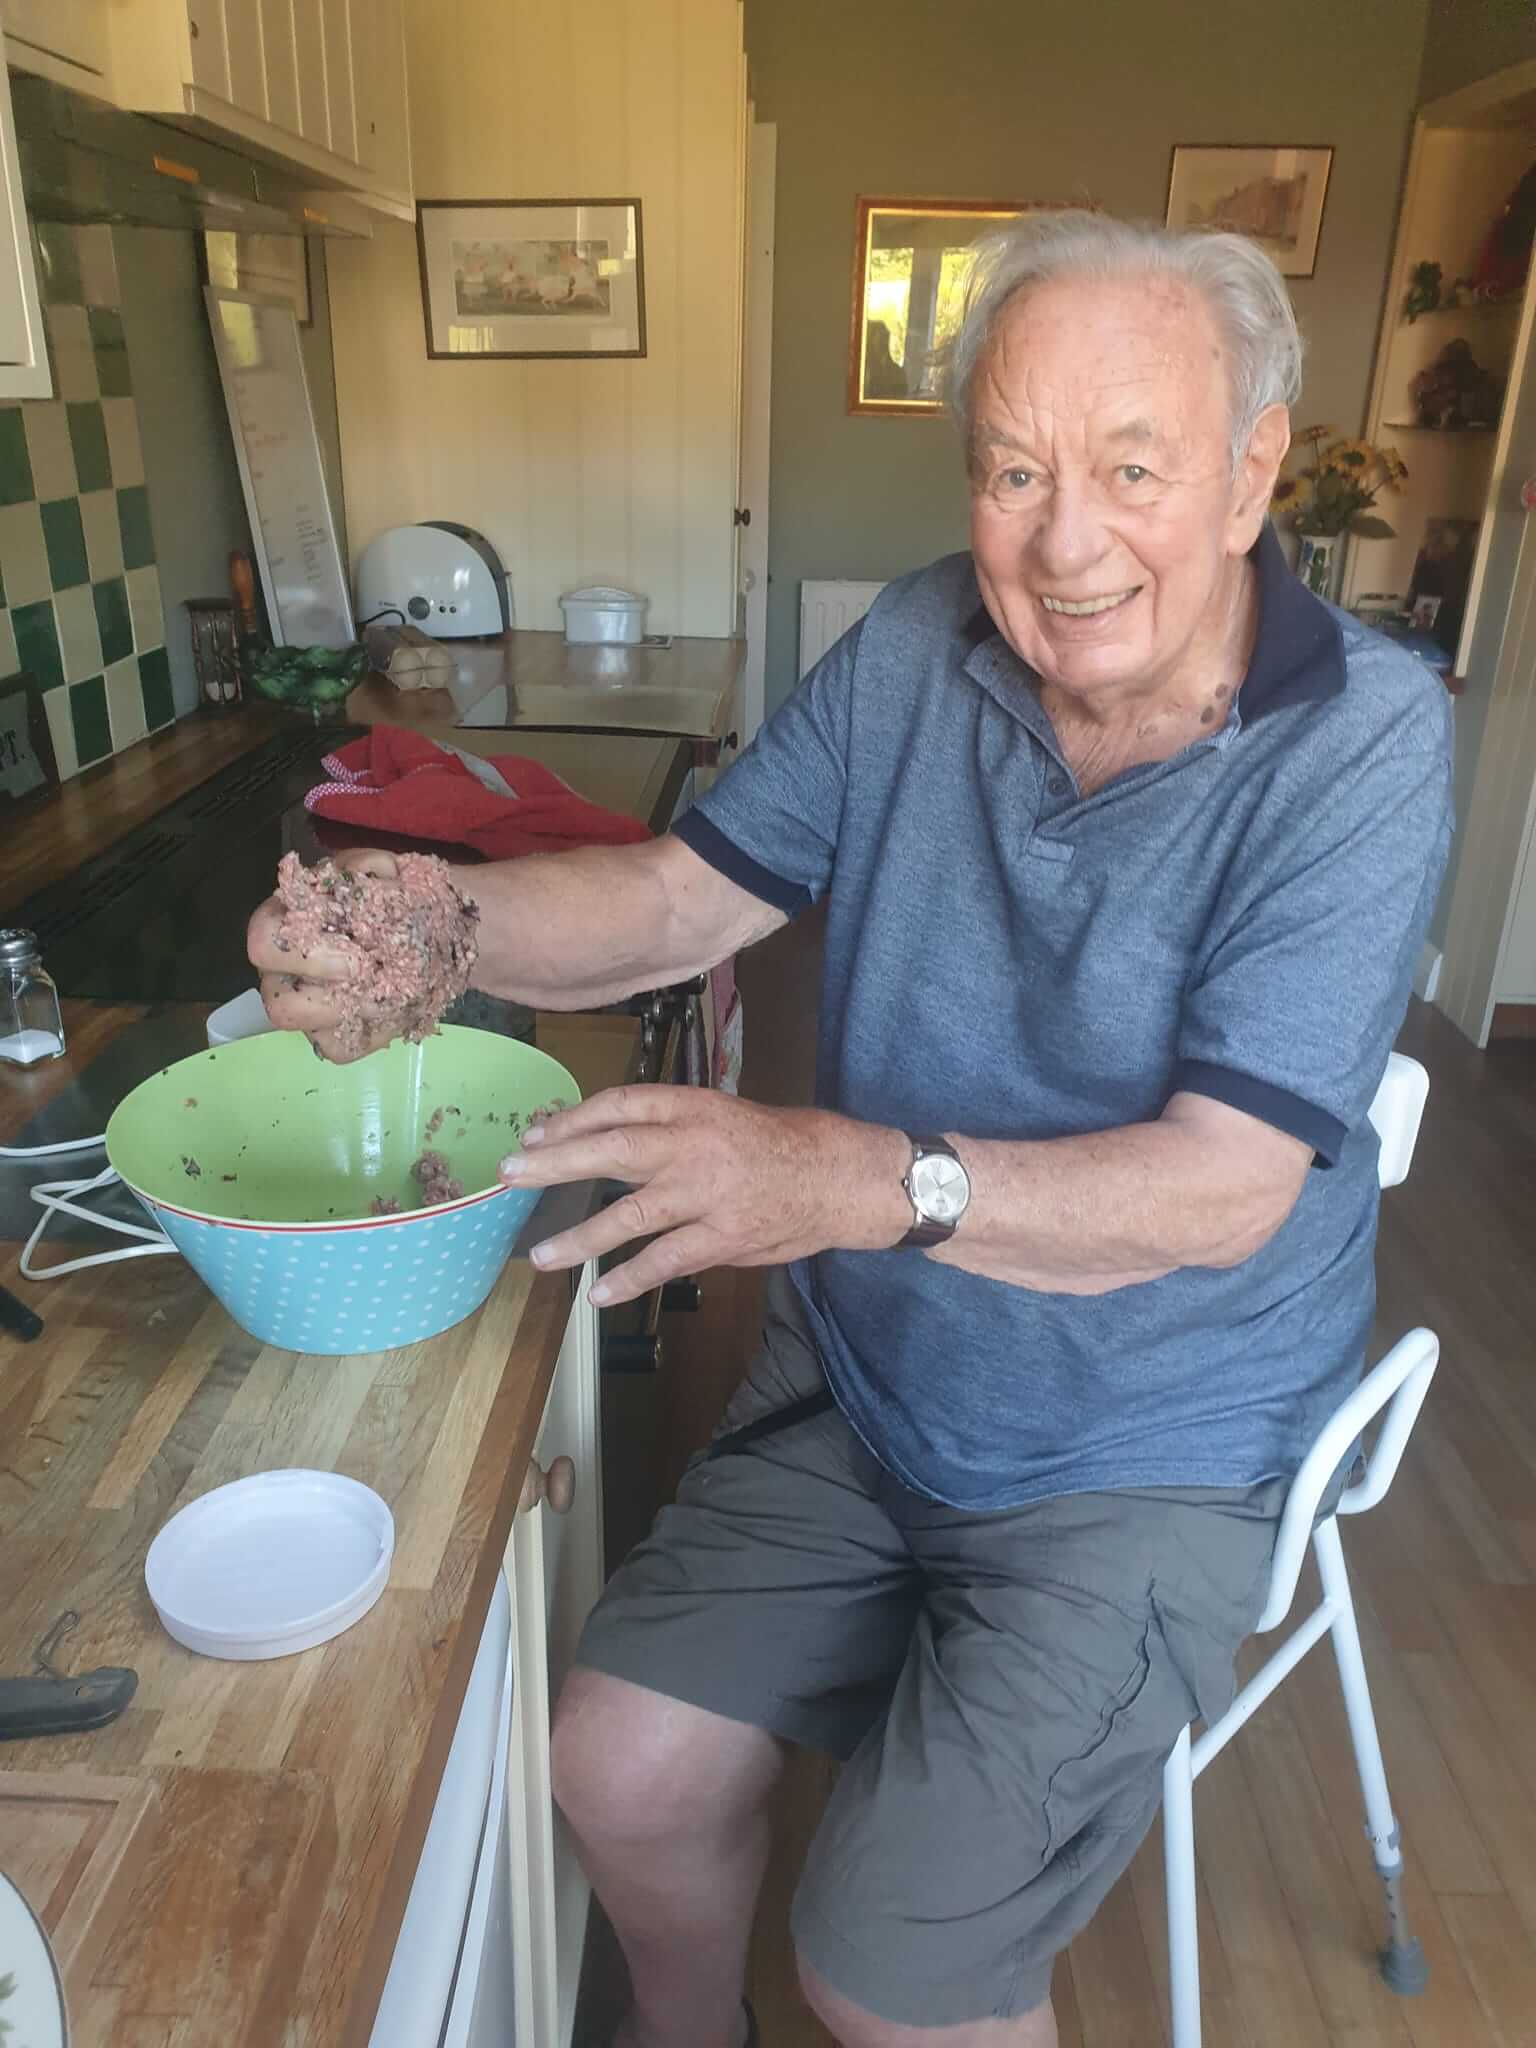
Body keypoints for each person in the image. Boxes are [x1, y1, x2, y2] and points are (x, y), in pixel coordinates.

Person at [250, 211, 1453, 2048]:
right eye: (1013, 468)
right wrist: (438, 923)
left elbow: (1221, 1193)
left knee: (885, 1972)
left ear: (1249, 474)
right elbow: (675, 898)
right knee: (618, 1773)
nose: (1064, 540)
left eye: (1132, 467)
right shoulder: (915, 647)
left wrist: (833, 1174)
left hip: (1142, 1442)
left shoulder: (1364, 743)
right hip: (876, 1377)